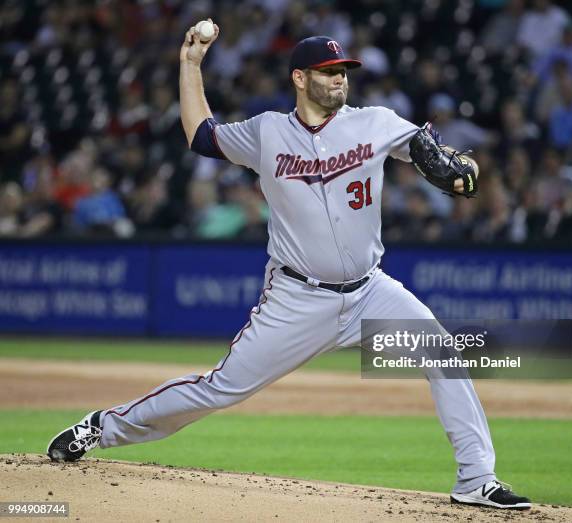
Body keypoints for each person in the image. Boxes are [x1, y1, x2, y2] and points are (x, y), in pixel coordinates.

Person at [47, 22, 531, 511]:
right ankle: (101, 427)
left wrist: (453, 166)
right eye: (328, 71)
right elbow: (202, 137)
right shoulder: (268, 132)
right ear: (300, 78)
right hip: (298, 299)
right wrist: (190, 65)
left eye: (344, 70)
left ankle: (476, 477)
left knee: (441, 354)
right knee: (220, 388)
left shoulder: (376, 122)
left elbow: (429, 153)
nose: (340, 78)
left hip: (370, 292)